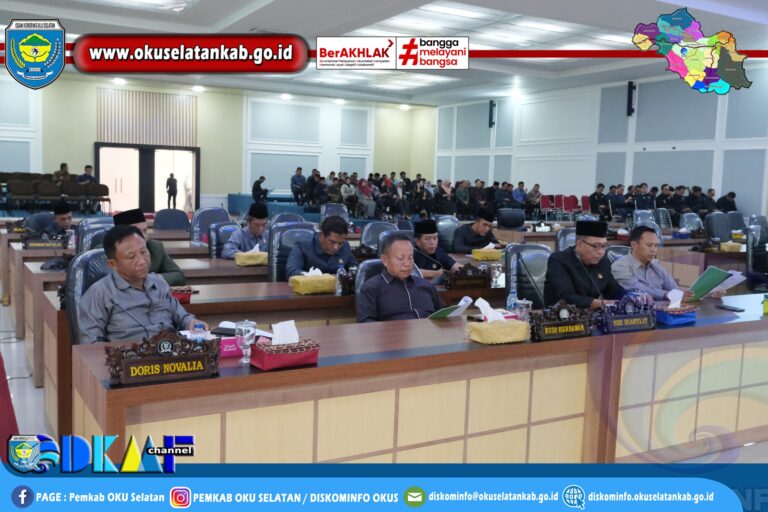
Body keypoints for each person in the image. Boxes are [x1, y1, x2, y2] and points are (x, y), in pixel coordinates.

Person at [78, 225, 207, 344]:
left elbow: (182, 317)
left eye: (144, 252)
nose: (142, 261)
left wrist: (192, 322)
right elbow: (90, 344)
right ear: (113, 264)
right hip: (128, 357)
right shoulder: (99, 293)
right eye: (131, 257)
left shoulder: (159, 283)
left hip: (169, 352)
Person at [356, 233, 443, 323]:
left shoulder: (426, 285)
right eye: (400, 258)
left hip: (428, 330)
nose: (407, 264)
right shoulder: (371, 288)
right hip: (392, 331)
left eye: (410, 258)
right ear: (385, 260)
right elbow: (365, 322)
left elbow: (443, 313)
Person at [543, 220, 627, 308]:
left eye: (603, 246)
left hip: (591, 314)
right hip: (561, 313)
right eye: (596, 246)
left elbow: (613, 290)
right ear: (580, 244)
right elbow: (566, 297)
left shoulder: (603, 262)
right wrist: (602, 303)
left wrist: (630, 296)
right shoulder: (559, 260)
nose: (601, 252)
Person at [113, 208, 186, 286]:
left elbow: (178, 276)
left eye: (145, 230)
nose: (143, 236)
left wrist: (151, 279)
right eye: (137, 232)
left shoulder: (155, 247)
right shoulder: (110, 250)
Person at [611, 226, 683, 301]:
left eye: (656, 245)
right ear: (634, 245)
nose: (653, 250)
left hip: (664, 306)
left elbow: (673, 289)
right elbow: (637, 289)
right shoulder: (620, 266)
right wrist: (665, 294)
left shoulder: (655, 264)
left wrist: (682, 294)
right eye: (649, 245)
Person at [286, 215, 356, 278]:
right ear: (321, 235)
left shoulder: (345, 246)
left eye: (340, 243)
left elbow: (355, 269)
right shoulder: (302, 246)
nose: (336, 247)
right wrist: (320, 278)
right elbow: (292, 272)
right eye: (332, 242)